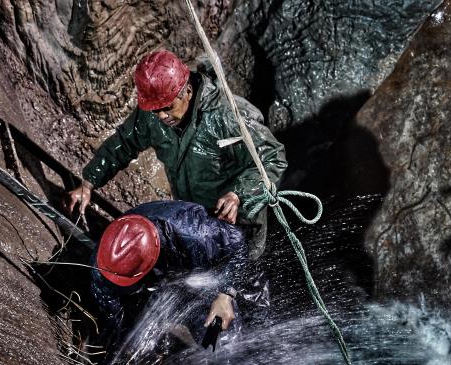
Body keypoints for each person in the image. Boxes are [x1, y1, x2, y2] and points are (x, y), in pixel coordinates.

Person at [67, 49, 287, 259]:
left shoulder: (227, 116)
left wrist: (239, 195)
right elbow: (124, 142)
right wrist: (89, 182)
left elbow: (272, 157)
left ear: (188, 92)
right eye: (155, 110)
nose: (162, 116)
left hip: (239, 224)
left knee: (236, 287)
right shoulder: (151, 116)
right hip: (193, 220)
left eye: (168, 107)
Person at [89, 199, 252, 365]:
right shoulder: (106, 263)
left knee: (221, 334)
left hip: (199, 275)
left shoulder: (194, 233)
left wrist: (225, 294)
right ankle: (153, 357)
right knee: (134, 328)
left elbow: (238, 243)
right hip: (162, 280)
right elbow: (113, 319)